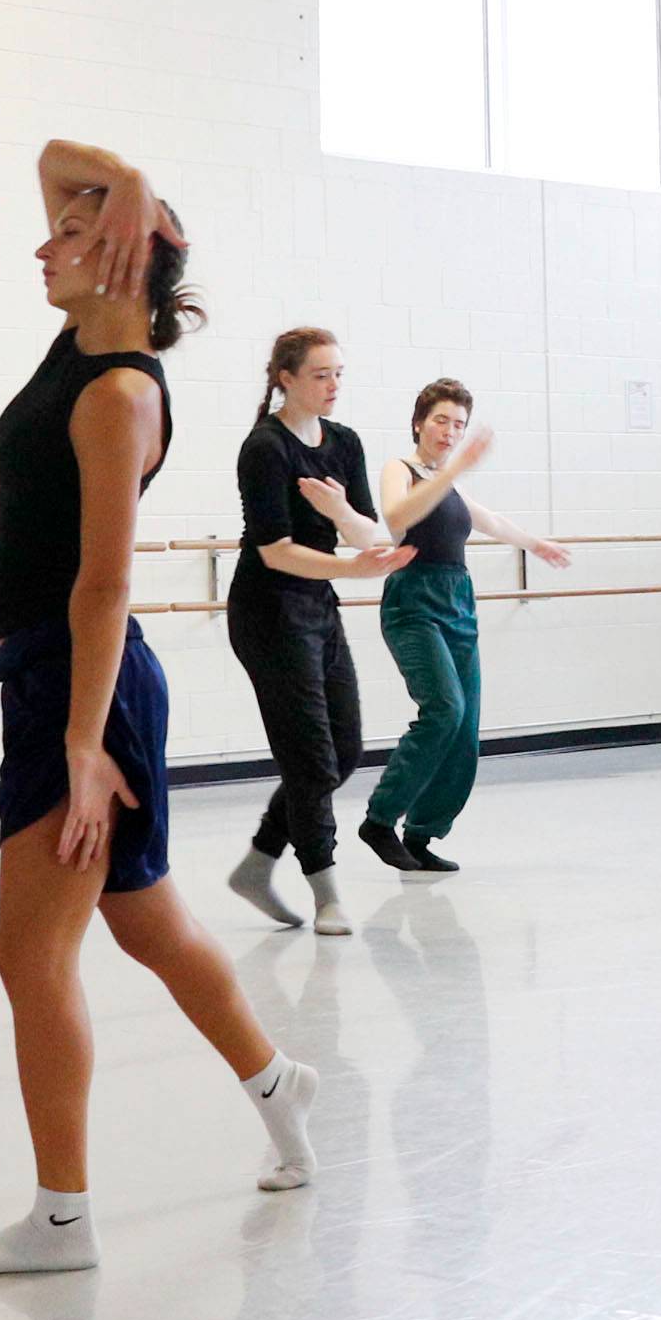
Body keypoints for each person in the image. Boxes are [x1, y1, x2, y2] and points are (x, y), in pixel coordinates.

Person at [0, 139, 319, 1277]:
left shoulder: (114, 393)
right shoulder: (82, 344)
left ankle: (61, 1219)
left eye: (71, 233)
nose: (44, 241)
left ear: (117, 260)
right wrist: (127, 200)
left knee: (27, 954)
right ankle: (276, 1081)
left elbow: (104, 584)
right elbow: (57, 155)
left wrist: (83, 742)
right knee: (143, 916)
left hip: (77, 675)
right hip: (67, 673)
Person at [308, 381, 570, 877]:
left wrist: (535, 544)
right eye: (441, 421)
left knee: (465, 727)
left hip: (458, 600)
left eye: (458, 424)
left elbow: (486, 518)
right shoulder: (400, 469)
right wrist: (454, 468)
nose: (450, 432)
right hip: (414, 601)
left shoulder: (447, 481)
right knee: (444, 707)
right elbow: (398, 516)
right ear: (419, 423)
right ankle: (380, 820)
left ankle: (423, 832)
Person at [221, 328, 413, 937]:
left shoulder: (345, 443)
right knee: (309, 760)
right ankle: (326, 892)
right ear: (285, 379)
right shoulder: (265, 448)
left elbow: (369, 537)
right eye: (320, 376)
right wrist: (349, 567)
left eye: (338, 375)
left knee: (345, 749)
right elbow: (275, 553)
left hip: (317, 604)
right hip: (267, 609)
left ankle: (256, 864)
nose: (333, 387)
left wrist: (339, 516)